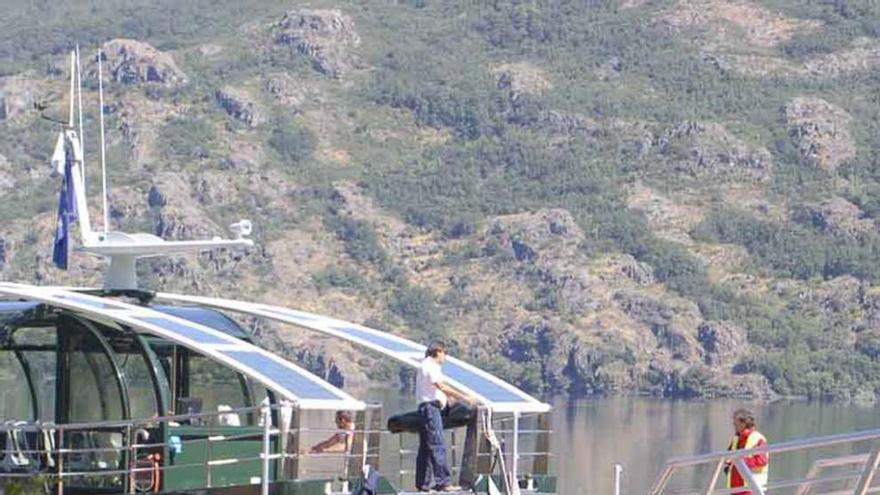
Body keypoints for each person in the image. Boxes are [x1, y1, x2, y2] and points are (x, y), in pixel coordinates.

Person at [415, 340, 476, 492]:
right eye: (445, 353)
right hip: (430, 409)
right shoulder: (430, 366)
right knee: (437, 445)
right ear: (438, 352)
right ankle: (444, 482)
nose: (445, 357)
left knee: (426, 448)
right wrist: (464, 397)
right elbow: (440, 385)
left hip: (426, 408)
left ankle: (423, 483)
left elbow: (434, 388)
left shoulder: (425, 366)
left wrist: (447, 398)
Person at [725, 409, 769, 495]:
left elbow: (762, 460)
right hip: (735, 489)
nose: (734, 425)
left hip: (752, 489)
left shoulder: (758, 438)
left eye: (735, 423)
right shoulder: (736, 439)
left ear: (743, 423)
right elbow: (728, 457)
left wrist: (741, 461)